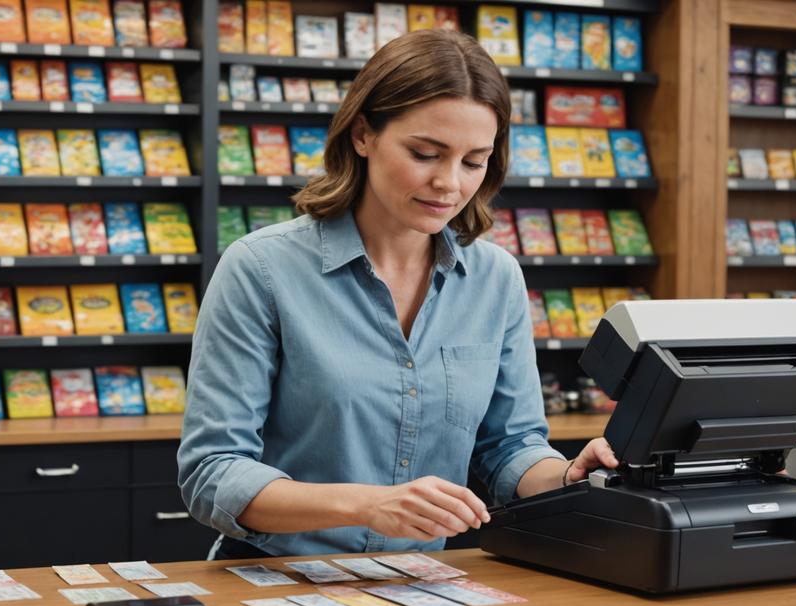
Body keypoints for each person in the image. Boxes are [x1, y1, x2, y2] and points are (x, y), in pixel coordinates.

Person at [177, 28, 618, 561]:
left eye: (473, 161)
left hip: (423, 578)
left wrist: (568, 477)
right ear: (363, 134)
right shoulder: (261, 269)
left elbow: (509, 447)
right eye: (426, 153)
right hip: (278, 574)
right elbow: (213, 472)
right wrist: (365, 505)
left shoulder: (496, 278)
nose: (449, 184)